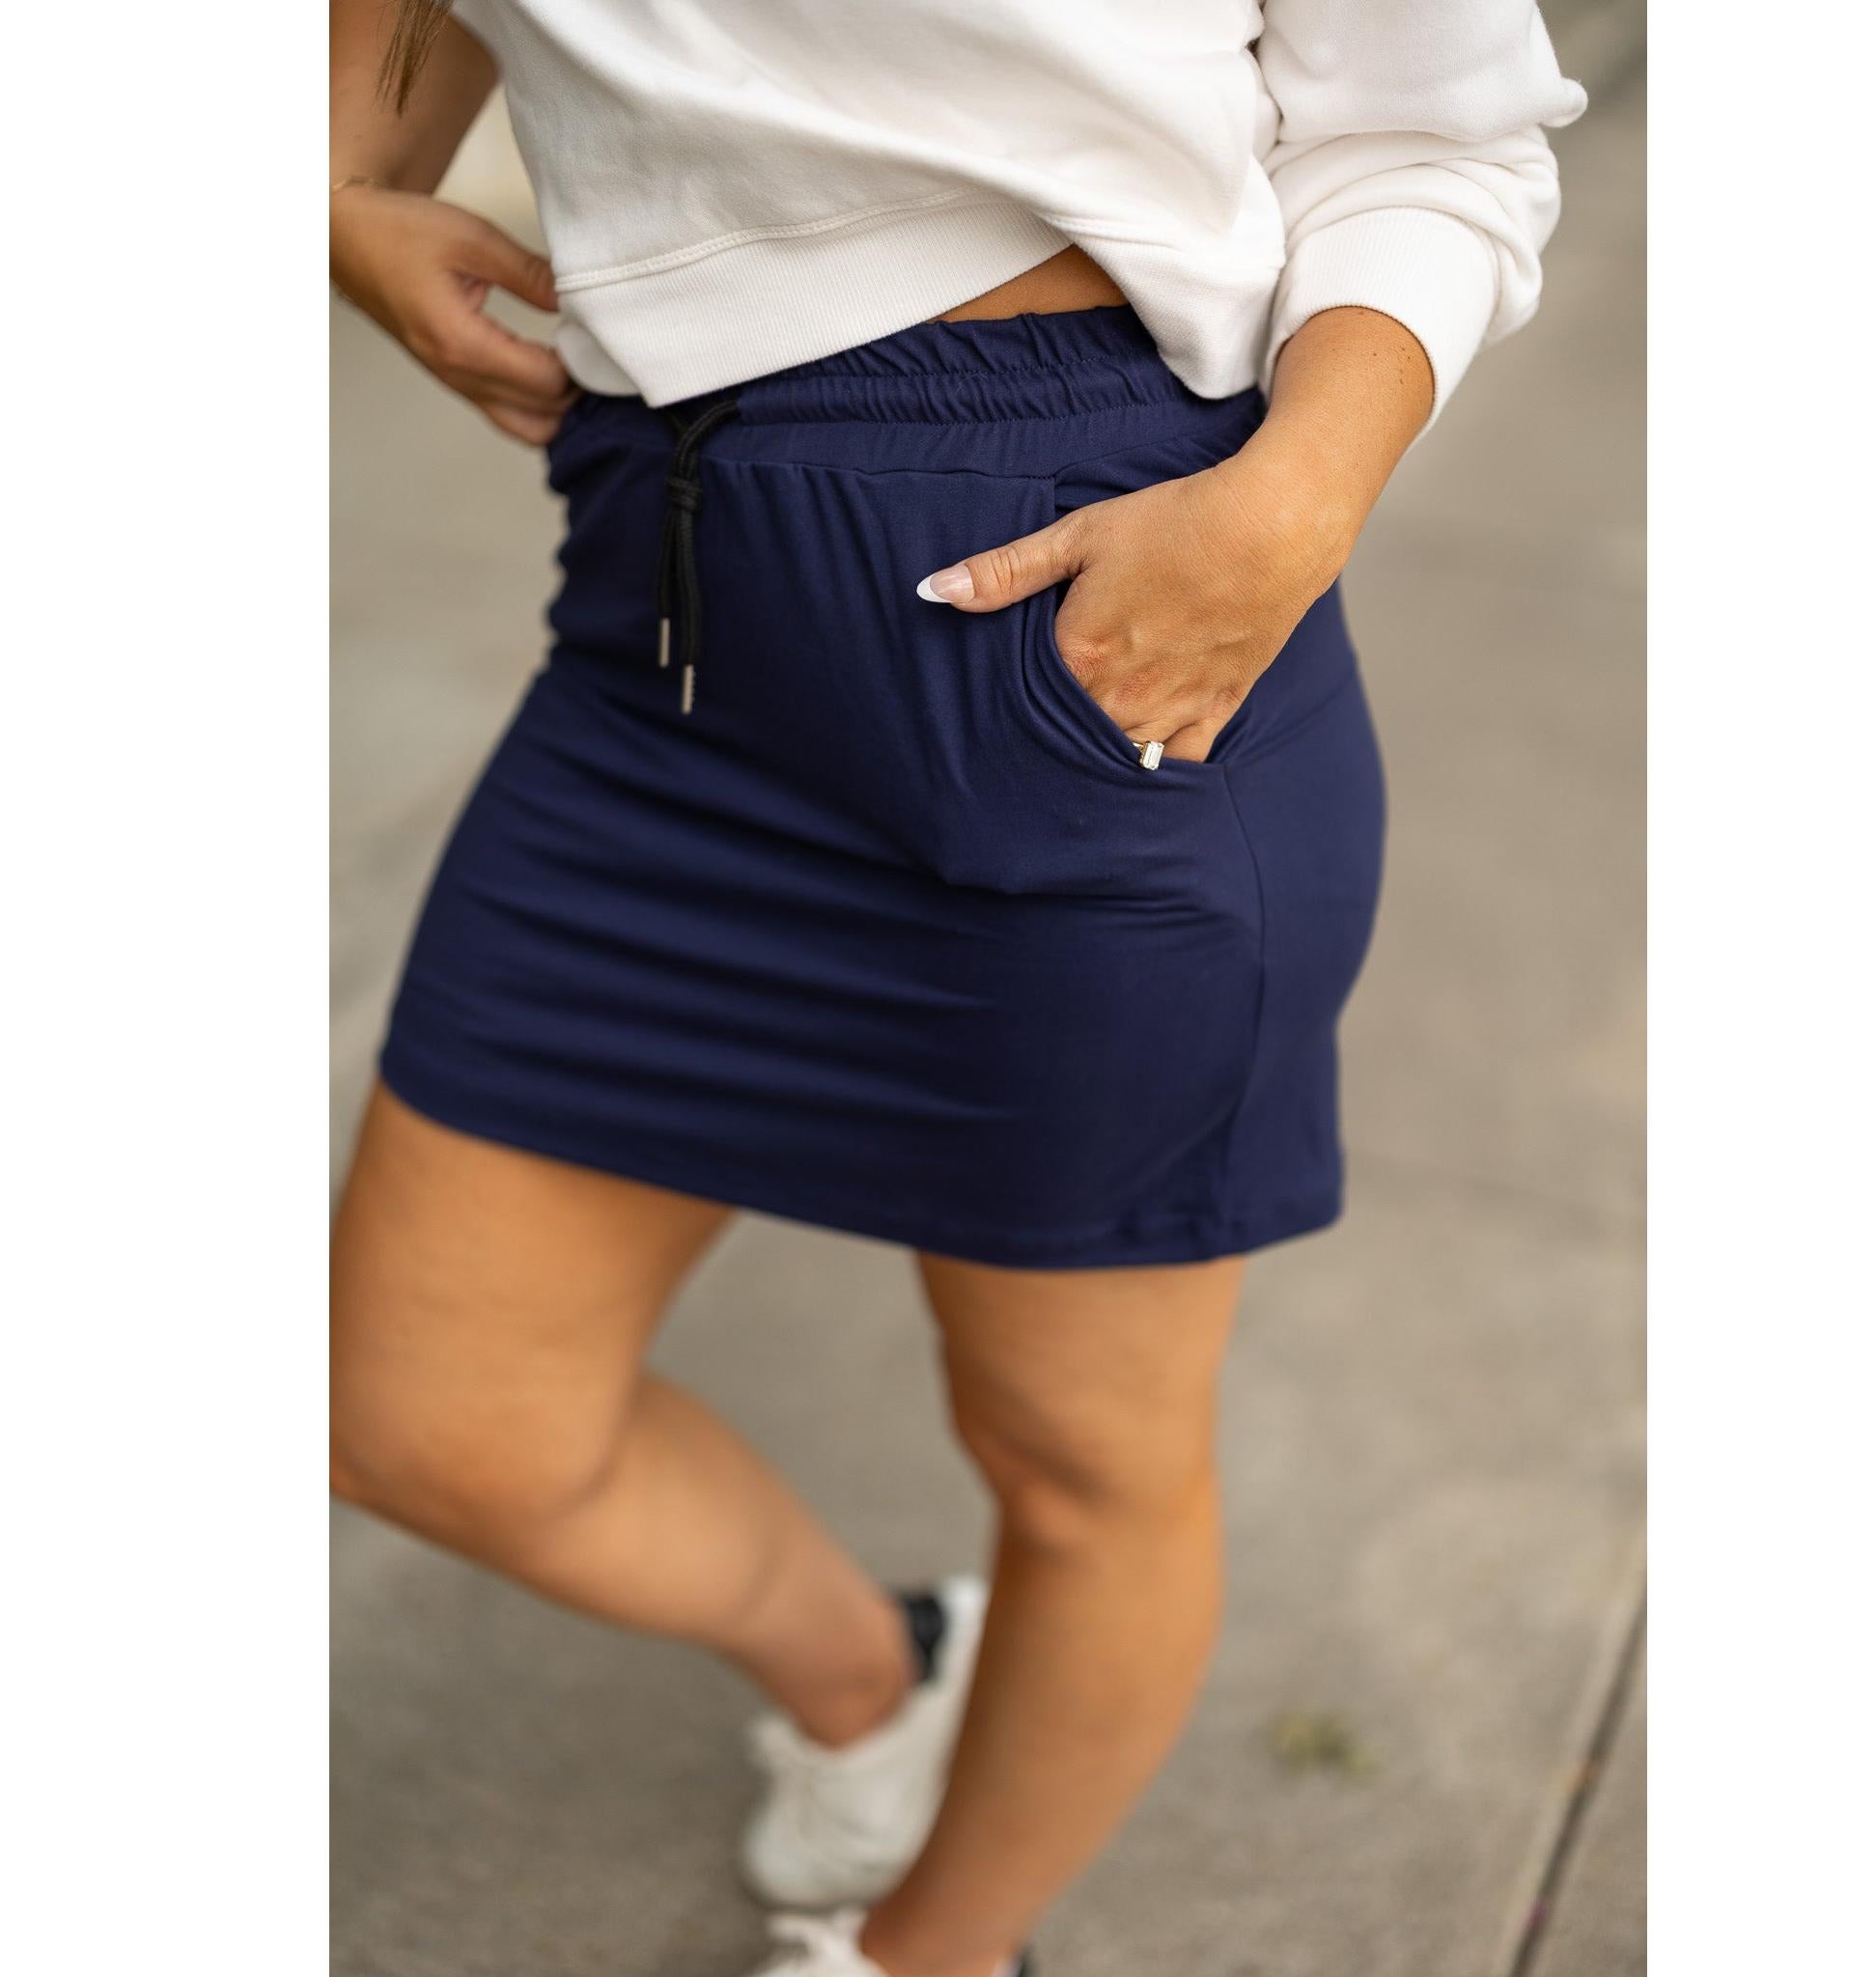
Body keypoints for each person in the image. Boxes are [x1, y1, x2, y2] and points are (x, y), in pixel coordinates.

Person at [328, 3, 1585, 1971]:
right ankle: (877, 1677)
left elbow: (1438, 133)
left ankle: (936, 1951)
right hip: (664, 632)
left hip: (1092, 636)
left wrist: (1292, 506)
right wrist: (332, 194)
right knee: (425, 1414)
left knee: (1082, 1460)